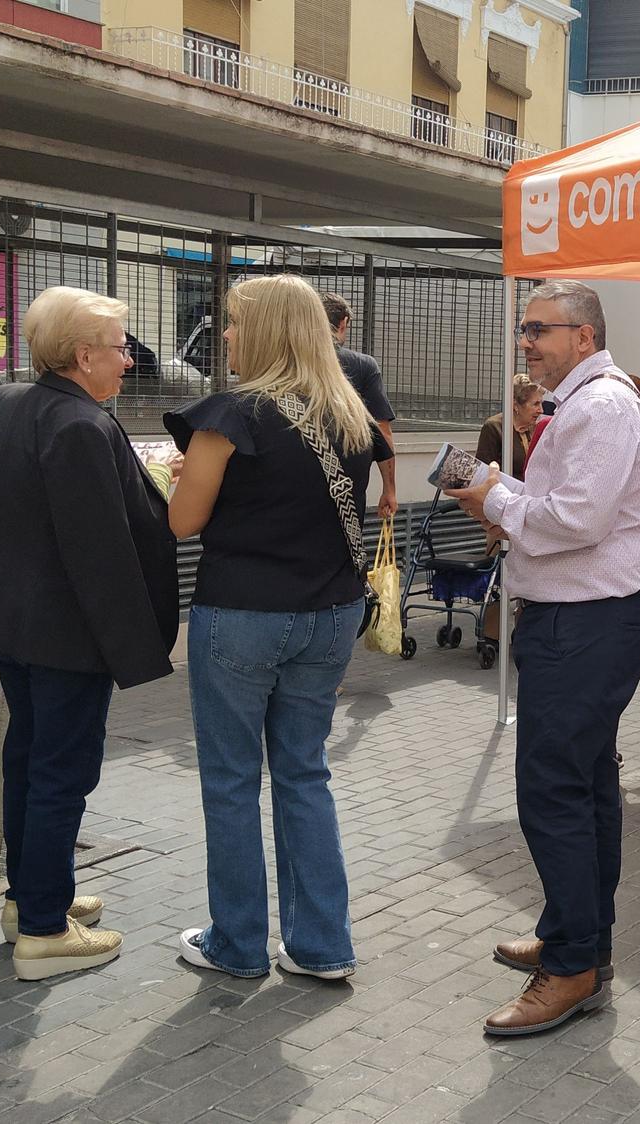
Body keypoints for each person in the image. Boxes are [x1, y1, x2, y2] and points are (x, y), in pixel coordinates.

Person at [0, 286, 179, 982]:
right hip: (66, 634)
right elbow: (102, 548)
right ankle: (42, 927)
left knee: (29, 758)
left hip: (5, 621)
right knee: (61, 772)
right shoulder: (83, 427)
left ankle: (33, 899)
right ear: (82, 355)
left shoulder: (0, 403)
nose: (129, 361)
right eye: (121, 348)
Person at [444, 280, 640, 1036]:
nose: (527, 340)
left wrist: (490, 494)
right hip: (582, 617)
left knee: (553, 791)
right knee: (586, 784)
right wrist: (501, 490)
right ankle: (581, 936)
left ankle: (570, 968)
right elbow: (570, 510)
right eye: (525, 328)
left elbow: (574, 519)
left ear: (586, 335)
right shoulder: (583, 402)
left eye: (541, 329)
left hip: (586, 620)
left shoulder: (600, 405)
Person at [163, 275, 392, 981]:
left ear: (264, 331)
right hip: (329, 615)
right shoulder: (349, 413)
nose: (224, 334)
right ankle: (322, 945)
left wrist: (176, 476)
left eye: (232, 323)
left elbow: (183, 521)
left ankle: (236, 944)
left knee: (232, 781)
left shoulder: (232, 415)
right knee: (304, 774)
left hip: (242, 615)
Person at [320, 293, 398, 519]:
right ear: (343, 323)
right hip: (347, 482)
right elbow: (382, 431)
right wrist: (389, 489)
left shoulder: (290, 361)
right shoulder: (363, 366)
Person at [476, 374, 543, 480]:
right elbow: (483, 472)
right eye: (535, 404)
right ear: (515, 405)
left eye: (541, 404)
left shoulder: (536, 428)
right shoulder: (494, 427)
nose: (541, 410)